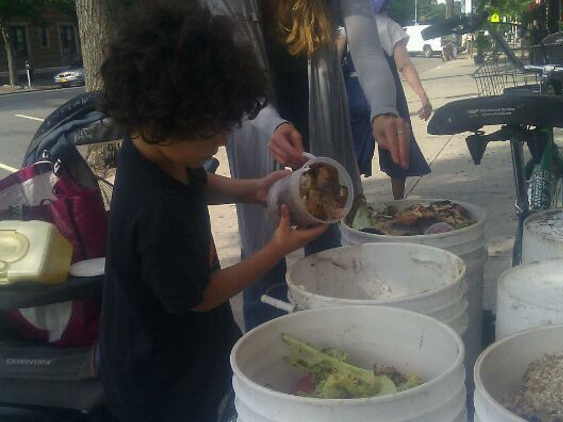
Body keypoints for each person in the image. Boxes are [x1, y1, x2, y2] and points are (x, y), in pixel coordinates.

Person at [97, 1, 328, 421]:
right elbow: (201, 296)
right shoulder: (156, 215)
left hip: (194, 348)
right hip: (166, 382)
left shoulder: (151, 148)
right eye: (212, 130)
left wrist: (254, 190)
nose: (221, 141)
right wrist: (274, 250)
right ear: (165, 119)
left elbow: (197, 183)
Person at [207, 0, 410, 330]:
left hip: (320, 111)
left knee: (331, 242)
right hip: (254, 116)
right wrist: (271, 123)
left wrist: (384, 110)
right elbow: (232, 76)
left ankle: (340, 333)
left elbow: (368, 49)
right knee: (262, 253)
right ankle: (267, 359)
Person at [341, 0, 431, 199]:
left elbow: (337, 60)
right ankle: (398, 200)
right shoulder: (391, 27)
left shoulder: (348, 26)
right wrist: (422, 96)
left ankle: (353, 201)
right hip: (388, 96)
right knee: (396, 144)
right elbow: (404, 65)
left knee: (353, 151)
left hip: (355, 93)